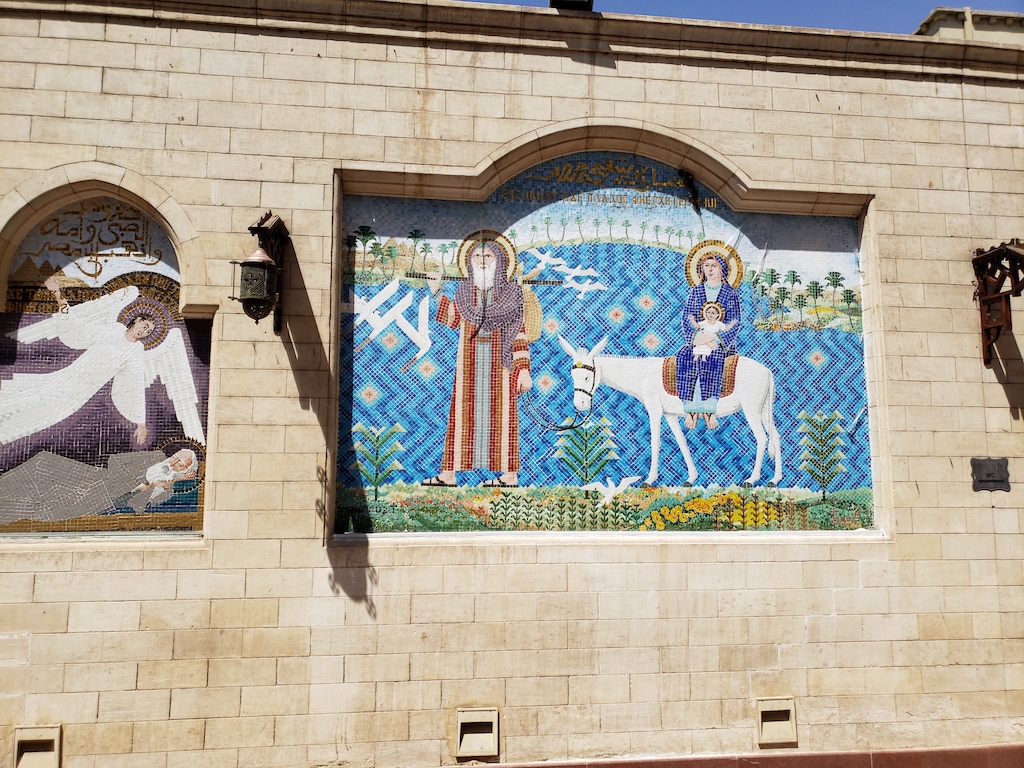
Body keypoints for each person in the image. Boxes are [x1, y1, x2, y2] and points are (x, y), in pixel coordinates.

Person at [0, 276, 204, 446]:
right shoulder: (113, 329)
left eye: (149, 331)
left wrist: (140, 422)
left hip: (81, 393)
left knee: (44, 415)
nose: (144, 330)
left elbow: (133, 385)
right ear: (137, 320)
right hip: (68, 377)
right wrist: (58, 295)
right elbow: (79, 329)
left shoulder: (135, 351)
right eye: (144, 325)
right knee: (32, 397)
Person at [421, 235, 532, 488]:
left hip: (501, 368)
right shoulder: (463, 294)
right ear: (469, 263)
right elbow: (452, 319)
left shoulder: (511, 295)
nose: (482, 261)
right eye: (477, 257)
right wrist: (437, 291)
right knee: (461, 417)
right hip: (469, 367)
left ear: (500, 261)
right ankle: (448, 475)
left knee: (503, 420)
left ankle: (509, 476)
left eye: (488, 256)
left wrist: (523, 369)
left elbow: (519, 332)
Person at [0, 448, 199, 525]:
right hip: (96, 476)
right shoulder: (154, 456)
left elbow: (139, 505)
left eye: (180, 463)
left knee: (50, 503)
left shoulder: (167, 490)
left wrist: (160, 484)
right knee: (44, 462)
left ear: (185, 469)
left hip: (104, 496)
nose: (173, 463)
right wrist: (133, 480)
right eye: (175, 457)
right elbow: (115, 459)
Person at [675, 251, 741, 430]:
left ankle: (709, 409)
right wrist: (697, 337)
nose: (710, 270)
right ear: (701, 269)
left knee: (713, 360)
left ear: (722, 269)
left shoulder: (729, 293)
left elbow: (735, 320)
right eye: (706, 266)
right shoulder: (696, 291)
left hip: (718, 342)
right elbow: (688, 317)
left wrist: (717, 339)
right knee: (683, 356)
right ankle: (690, 408)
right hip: (699, 339)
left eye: (714, 266)